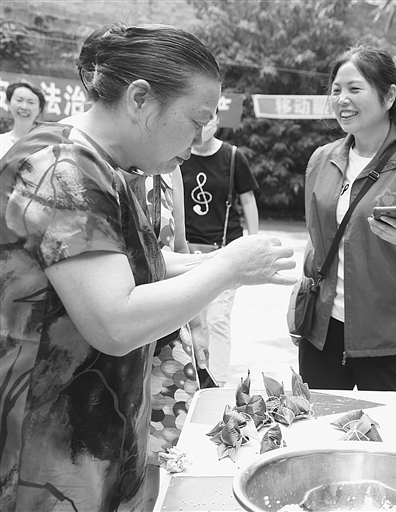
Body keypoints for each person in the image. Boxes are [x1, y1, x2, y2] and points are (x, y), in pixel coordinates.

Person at [0, 23, 295, 512]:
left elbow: (139, 265)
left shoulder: (105, 166)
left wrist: (217, 259)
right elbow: (115, 322)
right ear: (139, 99)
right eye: (195, 120)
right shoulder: (61, 167)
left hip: (95, 431)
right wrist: (228, 268)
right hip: (48, 450)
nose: (198, 139)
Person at [297, 43, 396, 392]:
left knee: (386, 424)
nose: (342, 99)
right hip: (321, 331)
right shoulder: (322, 160)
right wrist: (302, 293)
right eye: (336, 90)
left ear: (389, 96)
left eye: (355, 89)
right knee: (317, 421)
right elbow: (316, 238)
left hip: (388, 335)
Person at [181, 110, 260, 386]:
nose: (203, 128)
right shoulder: (180, 155)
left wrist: (253, 243)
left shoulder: (233, 156)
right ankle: (199, 376)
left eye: (209, 121)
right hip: (187, 253)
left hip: (225, 250)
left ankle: (218, 381)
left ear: (217, 121)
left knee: (217, 319)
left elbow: (248, 201)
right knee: (194, 319)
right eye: (198, 122)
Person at [0, 81, 46, 159]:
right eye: (19, 100)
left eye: (31, 102)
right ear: (9, 104)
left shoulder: (47, 146)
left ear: (39, 109)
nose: (24, 107)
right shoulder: (1, 141)